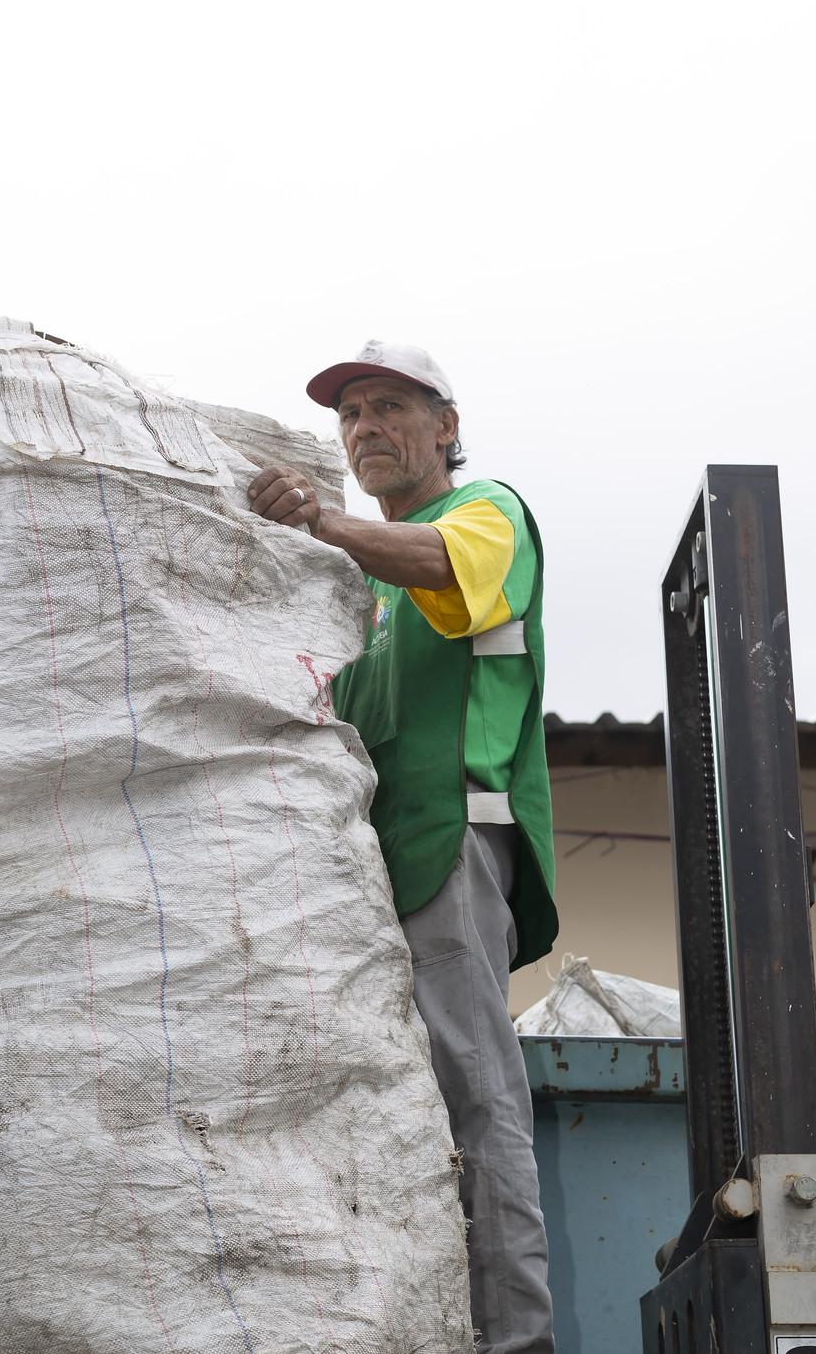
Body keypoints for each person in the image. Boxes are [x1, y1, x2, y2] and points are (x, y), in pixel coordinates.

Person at [248, 340, 556, 1354]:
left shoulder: (485, 514)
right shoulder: (360, 583)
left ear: (445, 427)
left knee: (477, 1096)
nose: (365, 427)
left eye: (389, 406)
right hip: (369, 861)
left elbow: (447, 567)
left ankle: (516, 1339)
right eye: (350, 415)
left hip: (451, 841)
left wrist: (320, 523)